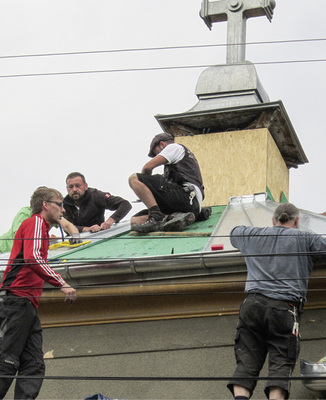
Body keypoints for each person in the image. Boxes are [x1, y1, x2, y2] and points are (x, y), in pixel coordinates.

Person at [227, 203, 326, 400]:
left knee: (246, 363)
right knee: (281, 364)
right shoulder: (305, 237)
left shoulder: (253, 235)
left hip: (252, 305)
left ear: (273, 220)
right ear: (296, 221)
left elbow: (233, 233)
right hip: (284, 308)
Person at [0, 187, 77, 399]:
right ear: (45, 205)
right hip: (18, 300)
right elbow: (33, 257)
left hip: (28, 305)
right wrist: (62, 283)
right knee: (6, 360)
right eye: (59, 204)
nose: (62, 210)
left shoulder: (42, 230)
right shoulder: (35, 222)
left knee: (33, 365)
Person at [129, 132, 205, 233]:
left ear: (162, 144)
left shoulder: (174, 147)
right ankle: (176, 217)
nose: (157, 156)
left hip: (187, 197)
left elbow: (147, 167)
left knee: (134, 179)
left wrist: (146, 188)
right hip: (189, 204)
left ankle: (157, 217)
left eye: (157, 153)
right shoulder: (181, 160)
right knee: (135, 221)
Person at [63, 172, 132, 233]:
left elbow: (125, 204)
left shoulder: (95, 195)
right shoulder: (63, 204)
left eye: (78, 186)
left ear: (86, 186)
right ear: (67, 188)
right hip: (75, 240)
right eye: (71, 187)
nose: (74, 189)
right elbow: (66, 226)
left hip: (99, 235)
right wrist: (86, 229)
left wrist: (109, 221)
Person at [0, 203, 81, 254]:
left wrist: (75, 236)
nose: (62, 210)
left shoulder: (50, 214)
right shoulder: (25, 213)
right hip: (4, 251)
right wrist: (46, 239)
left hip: (22, 255)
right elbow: (20, 236)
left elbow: (68, 225)